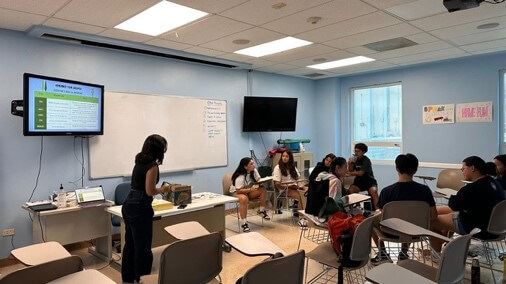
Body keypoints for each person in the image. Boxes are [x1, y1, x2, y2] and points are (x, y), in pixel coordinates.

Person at [121, 134, 174, 283]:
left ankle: (128, 279)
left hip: (129, 203)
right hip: (140, 207)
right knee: (143, 248)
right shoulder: (152, 166)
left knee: (130, 245)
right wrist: (164, 189)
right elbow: (150, 191)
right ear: (159, 150)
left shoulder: (139, 161)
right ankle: (142, 279)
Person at [370, 153, 437, 265]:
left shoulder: (387, 191)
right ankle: (404, 253)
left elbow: (382, 215)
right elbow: (434, 216)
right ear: (415, 170)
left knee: (370, 221)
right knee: (409, 221)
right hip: (416, 232)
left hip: (390, 232)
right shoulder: (425, 191)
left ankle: (383, 254)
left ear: (396, 168)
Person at [430, 156, 505, 253]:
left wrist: (454, 197)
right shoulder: (493, 183)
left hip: (477, 227)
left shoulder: (473, 188)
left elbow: (454, 205)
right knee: (439, 210)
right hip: (496, 226)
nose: (462, 172)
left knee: (430, 221)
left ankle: (436, 254)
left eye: (463, 169)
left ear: (472, 168)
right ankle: (445, 243)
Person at [230, 157, 270, 232]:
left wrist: (256, 171)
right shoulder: (240, 176)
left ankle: (261, 210)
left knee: (263, 190)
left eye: (253, 163)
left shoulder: (252, 171)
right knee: (244, 199)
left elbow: (258, 180)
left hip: (247, 191)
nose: (253, 165)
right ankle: (244, 223)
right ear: (245, 167)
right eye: (251, 164)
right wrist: (250, 190)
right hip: (236, 192)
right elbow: (238, 190)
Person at [347, 143, 379, 210]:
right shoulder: (354, 159)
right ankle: (358, 208)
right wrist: (349, 163)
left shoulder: (366, 160)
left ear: (363, 152)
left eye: (358, 151)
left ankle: (378, 210)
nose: (356, 153)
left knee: (374, 191)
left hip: (369, 181)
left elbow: (361, 173)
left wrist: (350, 173)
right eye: (355, 151)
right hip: (359, 182)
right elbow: (351, 169)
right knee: (351, 190)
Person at [273, 150, 304, 217]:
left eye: (287, 156)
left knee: (307, 191)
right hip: (284, 189)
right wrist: (290, 186)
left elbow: (298, 179)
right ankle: (301, 218)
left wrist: (300, 185)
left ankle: (308, 214)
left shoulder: (293, 167)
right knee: (298, 195)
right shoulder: (278, 167)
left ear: (290, 158)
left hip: (294, 187)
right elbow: (277, 184)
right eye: (283, 156)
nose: (284, 158)